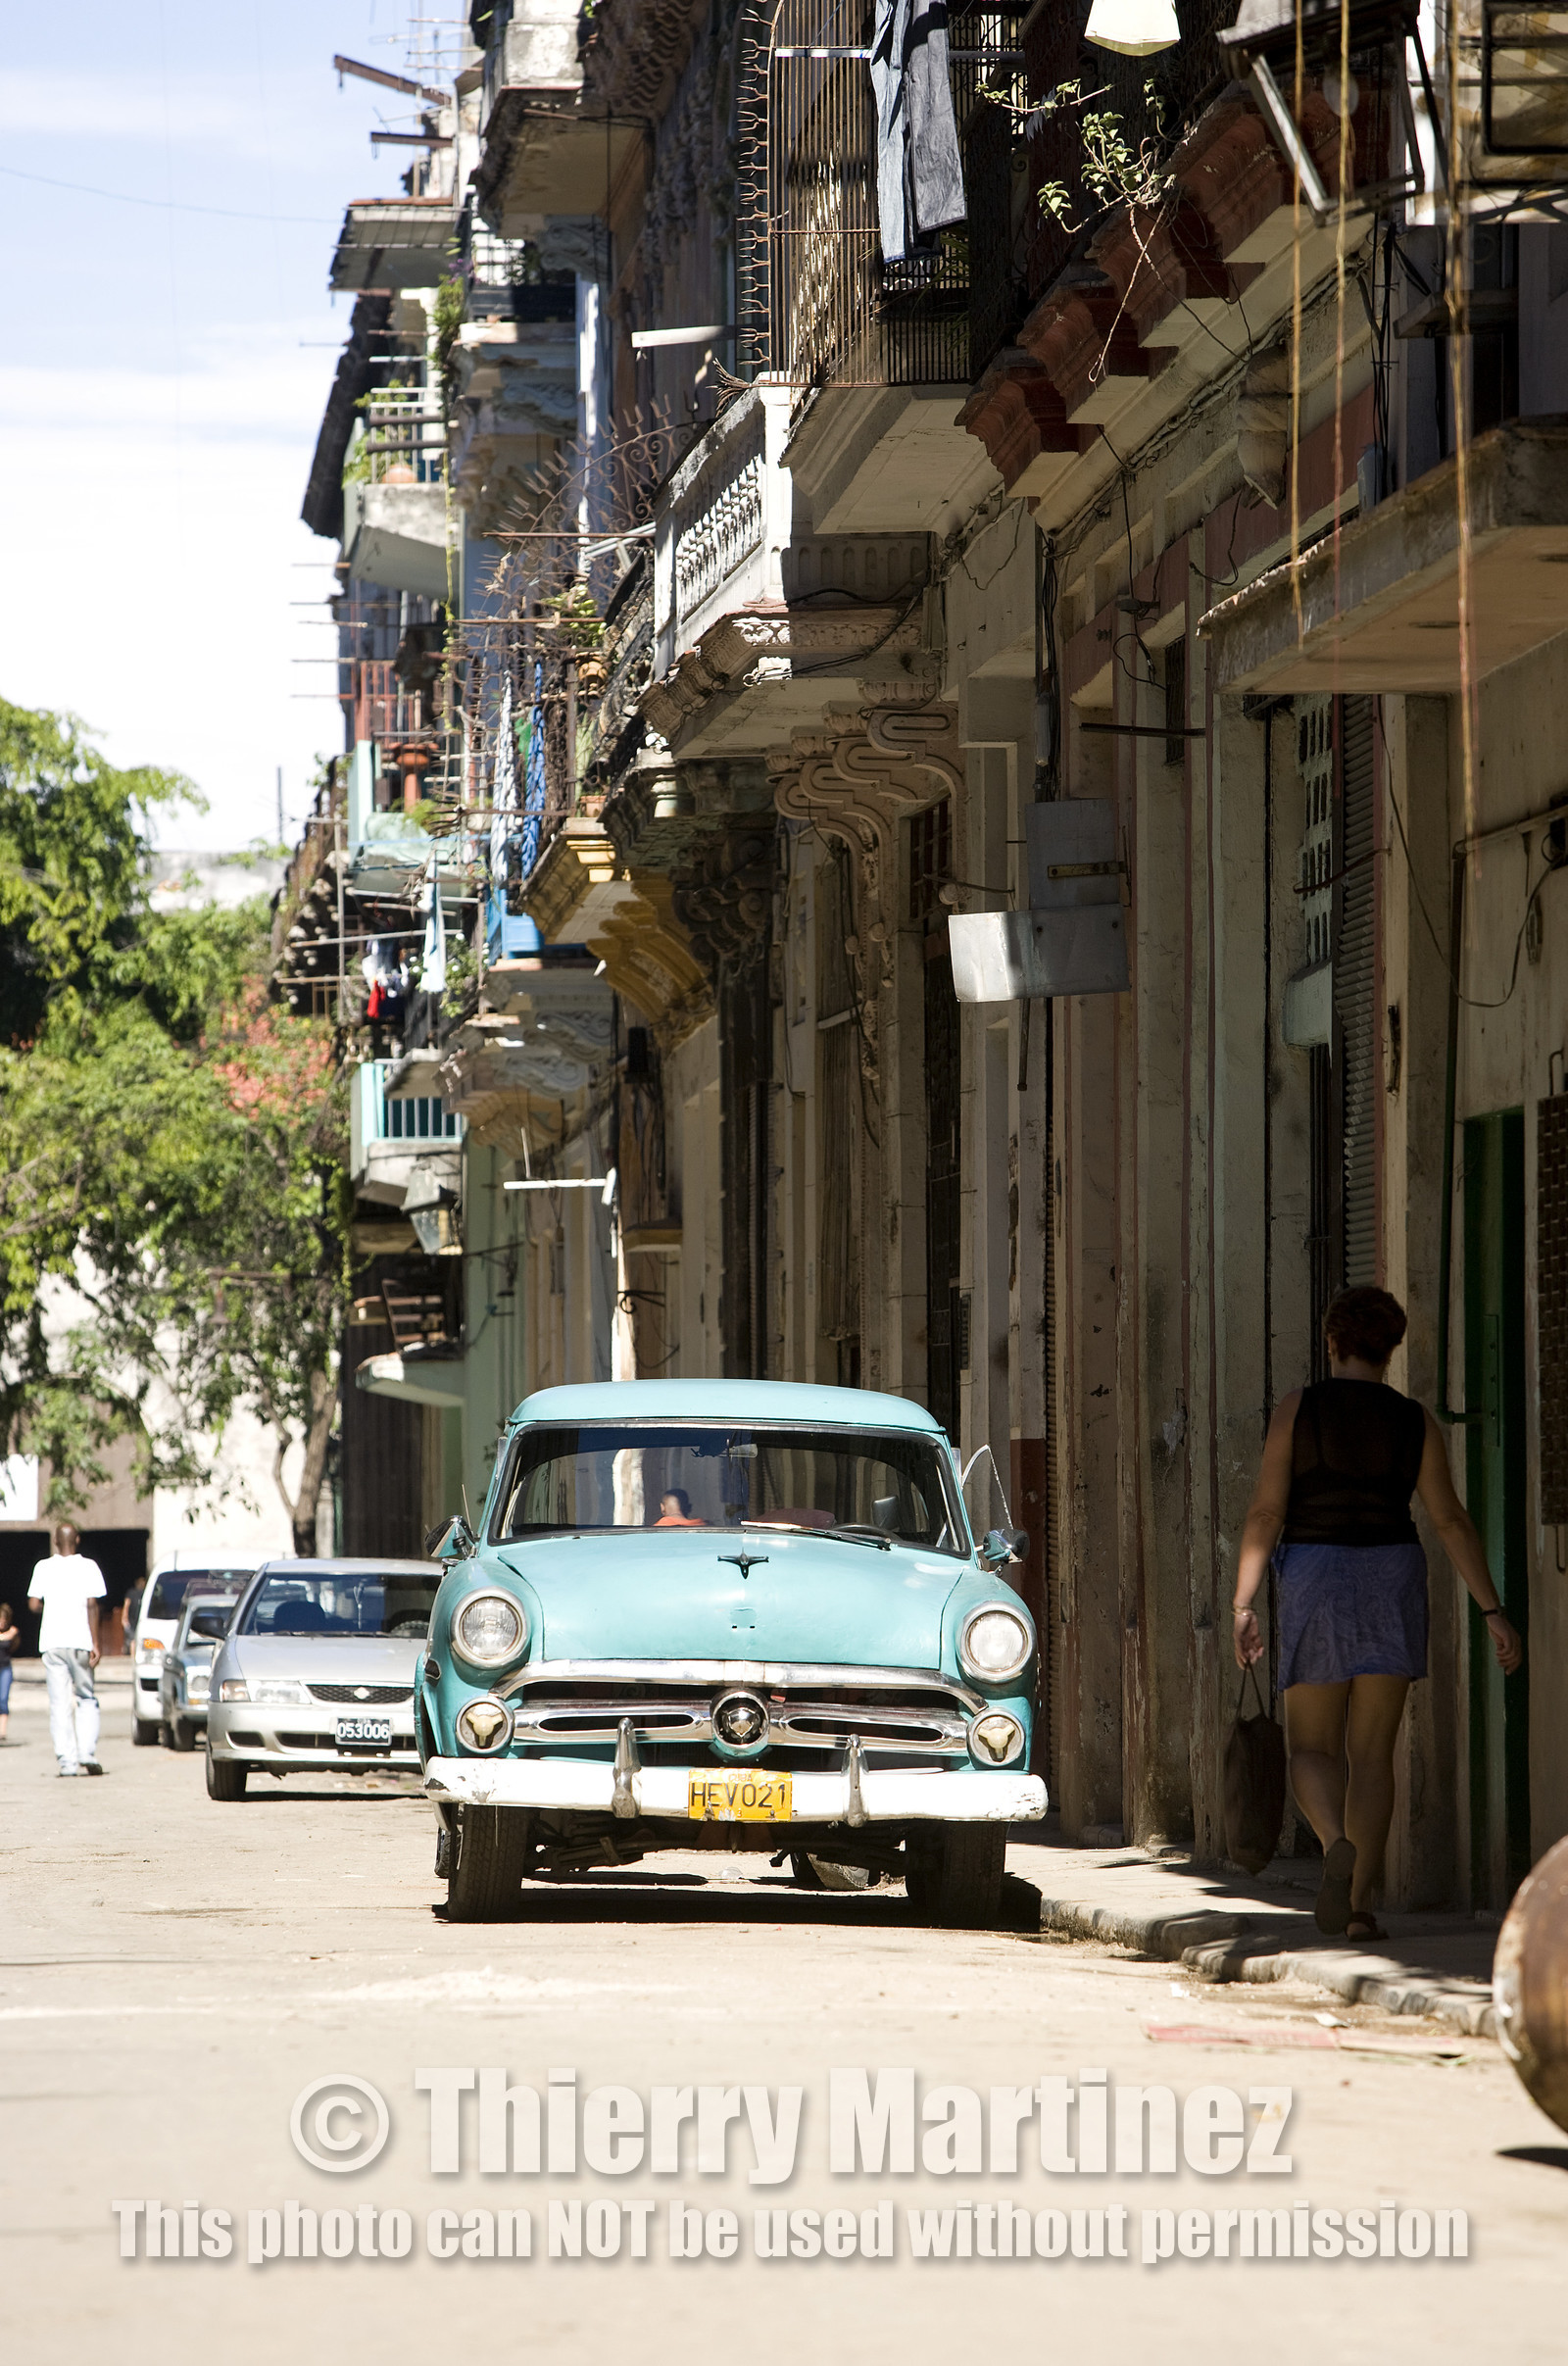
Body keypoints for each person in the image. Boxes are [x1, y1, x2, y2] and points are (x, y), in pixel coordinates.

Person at [1233, 1285, 1522, 1942]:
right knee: (1372, 1756)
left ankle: (1336, 1841)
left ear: (1333, 1342)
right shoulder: (1414, 1419)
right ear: (1390, 1350)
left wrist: (1242, 1602)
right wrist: (1493, 1611)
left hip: (1315, 1575)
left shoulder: (1298, 1409)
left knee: (1310, 1745)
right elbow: (1448, 1519)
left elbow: (1266, 1513)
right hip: (1392, 1574)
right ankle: (1359, 1907)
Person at [27, 1522, 107, 1778]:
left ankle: (67, 1762)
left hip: (51, 1641)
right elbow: (93, 1605)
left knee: (59, 1703)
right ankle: (87, 1752)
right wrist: (95, 1642)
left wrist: (50, 1608)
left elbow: (32, 1604)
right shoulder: (89, 1566)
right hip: (81, 1640)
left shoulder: (43, 1567)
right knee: (85, 1697)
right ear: (78, 1540)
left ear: (55, 1541)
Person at [0, 1602, 17, 1744]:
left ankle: (2, 1731)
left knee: (3, 1699)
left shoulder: (13, 1631)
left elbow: (14, 1643)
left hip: (5, 1667)